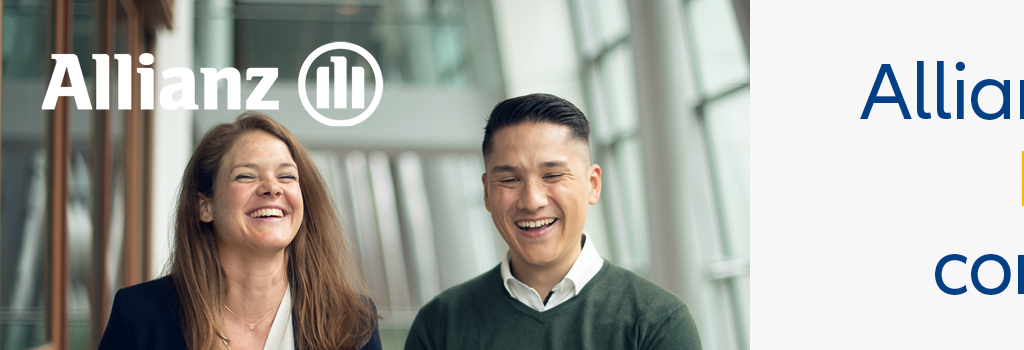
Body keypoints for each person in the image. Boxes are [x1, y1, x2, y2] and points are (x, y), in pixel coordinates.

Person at [404, 93, 701, 349]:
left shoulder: (656, 321)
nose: (532, 200)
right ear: (486, 192)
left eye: (553, 175)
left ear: (593, 184)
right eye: (509, 179)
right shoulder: (440, 325)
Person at [99, 112, 381, 350]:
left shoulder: (353, 321)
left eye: (287, 176)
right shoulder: (139, 316)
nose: (272, 187)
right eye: (246, 175)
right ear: (204, 205)